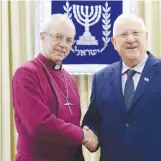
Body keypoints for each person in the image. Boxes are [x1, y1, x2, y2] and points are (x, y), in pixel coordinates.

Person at [82, 13, 161, 161]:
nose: (131, 39)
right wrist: (90, 133)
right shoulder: (101, 78)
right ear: (114, 42)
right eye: (123, 34)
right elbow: (93, 120)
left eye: (136, 33)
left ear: (146, 36)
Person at [12, 14, 98, 161]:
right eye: (57, 37)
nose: (63, 44)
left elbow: (73, 125)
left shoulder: (69, 79)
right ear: (42, 37)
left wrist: (91, 139)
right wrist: (83, 135)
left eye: (69, 40)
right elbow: (39, 125)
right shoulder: (26, 74)